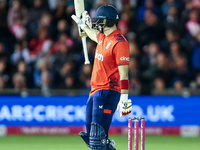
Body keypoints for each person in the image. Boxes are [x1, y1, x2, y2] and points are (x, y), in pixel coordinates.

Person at [71, 5, 132, 150]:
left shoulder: (120, 43)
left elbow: (124, 74)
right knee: (92, 137)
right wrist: (83, 27)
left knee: (97, 138)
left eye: (100, 20)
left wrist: (124, 98)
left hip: (108, 91)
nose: (97, 23)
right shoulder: (103, 37)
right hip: (95, 90)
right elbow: (92, 35)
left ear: (108, 21)